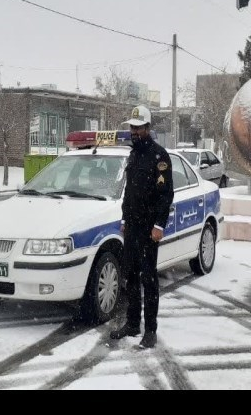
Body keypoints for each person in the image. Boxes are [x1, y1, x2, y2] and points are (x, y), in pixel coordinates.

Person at [110, 105, 174, 349]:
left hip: (149, 229)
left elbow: (165, 195)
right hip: (133, 227)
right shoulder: (133, 154)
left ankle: (151, 330)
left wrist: (159, 225)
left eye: (138, 128)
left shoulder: (160, 157)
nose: (134, 132)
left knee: (149, 279)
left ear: (148, 128)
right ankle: (132, 323)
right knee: (131, 276)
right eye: (132, 127)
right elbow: (129, 193)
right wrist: (125, 220)